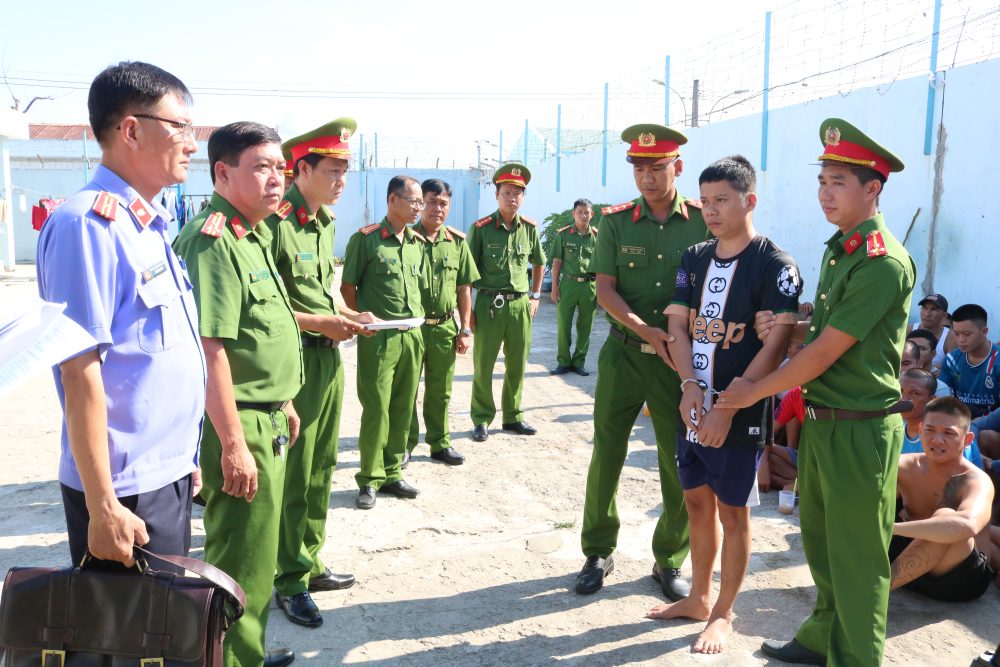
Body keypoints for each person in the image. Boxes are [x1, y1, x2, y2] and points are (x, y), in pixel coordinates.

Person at [721, 118, 915, 666]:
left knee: (859, 562)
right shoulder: (841, 250)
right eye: (822, 180)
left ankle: (855, 659)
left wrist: (750, 389)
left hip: (860, 429)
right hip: (824, 423)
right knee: (824, 548)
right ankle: (820, 638)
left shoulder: (881, 261)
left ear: (872, 190)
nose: (825, 192)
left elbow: (825, 354)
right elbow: (827, 337)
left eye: (838, 182)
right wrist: (785, 330)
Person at [36, 61, 205, 568]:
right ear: (131, 130)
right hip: (125, 491)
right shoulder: (86, 225)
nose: (192, 143)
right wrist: (103, 505)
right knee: (127, 644)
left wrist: (183, 454)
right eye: (181, 127)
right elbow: (79, 369)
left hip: (163, 472)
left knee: (168, 637)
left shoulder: (145, 224)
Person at [645, 155, 799, 654]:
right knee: (694, 501)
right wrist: (689, 384)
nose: (710, 210)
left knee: (734, 512)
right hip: (691, 405)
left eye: (721, 201)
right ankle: (698, 596)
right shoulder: (694, 257)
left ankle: (724, 612)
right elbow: (679, 327)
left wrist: (726, 408)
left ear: (749, 201)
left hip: (738, 412)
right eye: (705, 201)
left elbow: (774, 348)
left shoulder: (776, 266)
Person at [172, 121, 302, 667]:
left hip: (263, 416)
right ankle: (229, 659)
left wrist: (285, 399)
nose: (277, 180)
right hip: (239, 423)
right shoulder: (215, 241)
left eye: (281, 167)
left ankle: (245, 652)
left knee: (258, 557)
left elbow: (260, 334)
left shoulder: (252, 234)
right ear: (223, 172)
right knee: (238, 563)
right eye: (262, 167)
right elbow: (210, 351)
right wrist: (231, 444)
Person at [575, 123, 710, 600]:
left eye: (656, 167)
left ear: (678, 167)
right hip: (624, 355)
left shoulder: (701, 221)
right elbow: (605, 288)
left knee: (677, 462)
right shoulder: (615, 221)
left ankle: (669, 558)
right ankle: (597, 550)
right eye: (638, 168)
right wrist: (645, 330)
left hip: (680, 367)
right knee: (606, 453)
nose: (646, 178)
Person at [267, 119, 377, 629]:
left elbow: (318, 294)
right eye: (332, 170)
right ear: (302, 168)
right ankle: (287, 579)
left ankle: (308, 559)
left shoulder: (324, 222)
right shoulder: (276, 222)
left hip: (327, 356)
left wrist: (350, 318)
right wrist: (325, 323)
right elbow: (269, 306)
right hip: (293, 360)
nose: (341, 180)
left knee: (321, 464)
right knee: (295, 469)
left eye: (345, 171)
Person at [341, 176, 426, 509]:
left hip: (412, 335)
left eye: (420, 202)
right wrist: (360, 318)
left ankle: (392, 472)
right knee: (376, 407)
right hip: (380, 337)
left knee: (403, 406)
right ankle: (369, 479)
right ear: (393, 200)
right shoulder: (366, 241)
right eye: (414, 201)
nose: (419, 207)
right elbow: (348, 288)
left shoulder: (417, 244)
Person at [466, 163, 545, 441]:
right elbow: (466, 273)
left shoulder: (530, 229)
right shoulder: (481, 229)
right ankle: (481, 418)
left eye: (517, 193)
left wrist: (535, 296)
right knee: (484, 364)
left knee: (517, 363)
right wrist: (467, 314)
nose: (512, 198)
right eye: (507, 192)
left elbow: (539, 264)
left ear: (523, 197)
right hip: (489, 305)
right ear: (496, 195)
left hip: (520, 306)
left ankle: (513, 416)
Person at [405, 179, 480, 467]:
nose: (437, 208)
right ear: (421, 203)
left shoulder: (458, 243)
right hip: (412, 328)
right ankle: (405, 443)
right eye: (432, 201)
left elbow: (464, 289)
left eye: (443, 203)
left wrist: (465, 328)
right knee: (407, 389)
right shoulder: (407, 239)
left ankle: (439, 442)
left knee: (441, 390)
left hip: (445, 327)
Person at [892, 397, 995, 602]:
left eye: (949, 433)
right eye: (930, 430)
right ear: (920, 429)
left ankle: (876, 591)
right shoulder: (903, 466)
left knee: (947, 519)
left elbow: (966, 526)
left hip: (956, 579)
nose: (937, 440)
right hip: (907, 560)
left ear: (967, 439)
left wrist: (888, 527)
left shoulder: (976, 480)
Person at [550, 198, 599, 376]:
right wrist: (554, 287)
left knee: (586, 326)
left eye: (587, 212)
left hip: (589, 286)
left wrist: (601, 290)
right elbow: (556, 262)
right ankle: (563, 362)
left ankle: (579, 362)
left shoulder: (597, 236)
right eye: (580, 212)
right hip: (568, 284)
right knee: (564, 325)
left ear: (592, 214)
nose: (584, 215)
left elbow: (602, 266)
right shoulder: (563, 234)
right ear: (574, 214)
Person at [899, 369, 984, 468]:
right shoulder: (894, 430)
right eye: (900, 391)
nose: (903, 399)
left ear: (931, 400)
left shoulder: (948, 437)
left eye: (915, 393)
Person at [941, 304, 1000, 418]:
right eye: (956, 334)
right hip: (957, 422)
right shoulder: (951, 360)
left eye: (967, 334)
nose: (961, 340)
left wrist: (975, 425)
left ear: (984, 331)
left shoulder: (997, 361)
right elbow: (942, 399)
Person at [909, 293, 957, 374]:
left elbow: (952, 366)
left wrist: (940, 372)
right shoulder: (909, 330)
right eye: (924, 308)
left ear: (944, 315)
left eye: (933, 309)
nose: (927, 314)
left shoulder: (951, 338)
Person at [907, 329, 953, 396]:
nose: (916, 352)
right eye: (911, 348)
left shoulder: (941, 383)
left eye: (922, 348)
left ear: (933, 353)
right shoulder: (896, 376)